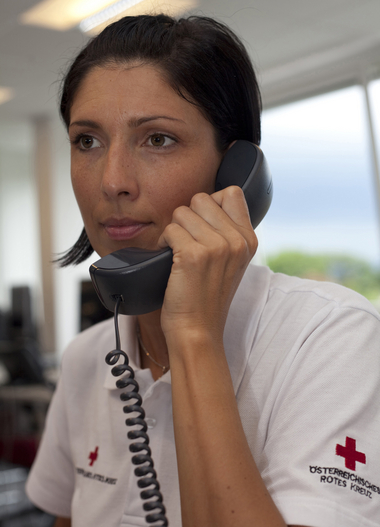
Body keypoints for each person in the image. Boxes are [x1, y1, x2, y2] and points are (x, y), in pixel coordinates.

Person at [26, 13, 380, 527]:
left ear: (235, 174)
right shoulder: (88, 359)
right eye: (88, 141)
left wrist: (193, 334)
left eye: (158, 140)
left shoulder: (333, 337)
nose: (113, 181)